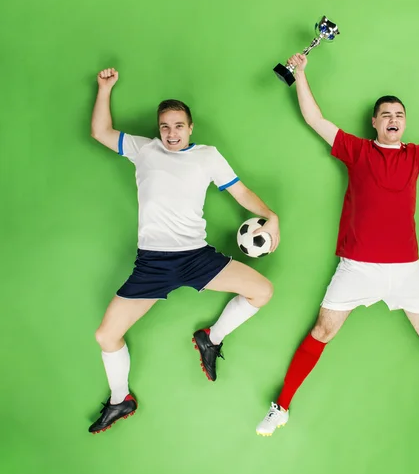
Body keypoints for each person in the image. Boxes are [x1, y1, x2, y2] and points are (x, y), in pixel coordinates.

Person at [256, 53, 419, 440]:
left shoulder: (417, 155)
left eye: (399, 115)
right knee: (322, 330)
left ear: (405, 123)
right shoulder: (357, 150)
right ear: (375, 122)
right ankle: (281, 407)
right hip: (357, 267)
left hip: (407, 269)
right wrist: (301, 74)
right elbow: (315, 120)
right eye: (386, 114)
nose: (393, 120)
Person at [89, 68, 280, 434]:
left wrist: (270, 215)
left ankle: (212, 337)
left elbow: (240, 192)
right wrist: (104, 88)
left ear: (190, 128)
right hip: (152, 264)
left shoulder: (208, 156)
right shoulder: (143, 149)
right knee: (105, 335)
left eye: (178, 126)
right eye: (165, 126)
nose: (171, 133)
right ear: (158, 129)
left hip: (197, 258)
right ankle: (120, 400)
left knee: (263, 291)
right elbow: (100, 132)